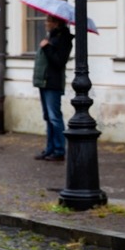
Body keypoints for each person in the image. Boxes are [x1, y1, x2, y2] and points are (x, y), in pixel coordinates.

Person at [33, 14, 72, 162]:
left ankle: (59, 150)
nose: (45, 23)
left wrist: (47, 47)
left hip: (52, 82)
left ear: (56, 23)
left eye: (48, 21)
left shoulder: (64, 39)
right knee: (48, 117)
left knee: (55, 117)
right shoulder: (52, 37)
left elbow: (59, 62)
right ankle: (49, 149)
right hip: (44, 81)